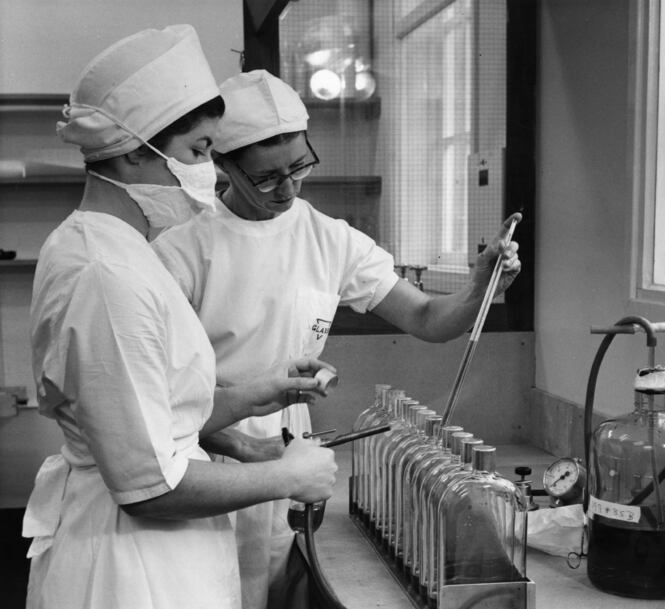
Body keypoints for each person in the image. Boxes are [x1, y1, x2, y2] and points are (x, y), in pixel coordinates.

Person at [151, 68, 522, 609]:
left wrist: (477, 288)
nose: (287, 188)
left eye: (298, 167)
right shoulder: (182, 249)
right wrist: (241, 448)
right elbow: (159, 398)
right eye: (266, 177)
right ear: (222, 165)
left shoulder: (330, 239)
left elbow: (425, 319)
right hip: (200, 451)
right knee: (209, 593)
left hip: (288, 449)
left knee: (275, 581)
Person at [22, 28, 337, 609]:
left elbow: (148, 412)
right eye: (197, 151)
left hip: (158, 556)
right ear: (134, 149)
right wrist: (290, 477)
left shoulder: (119, 249)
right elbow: (149, 487)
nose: (211, 173)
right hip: (130, 569)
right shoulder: (104, 276)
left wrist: (248, 400)